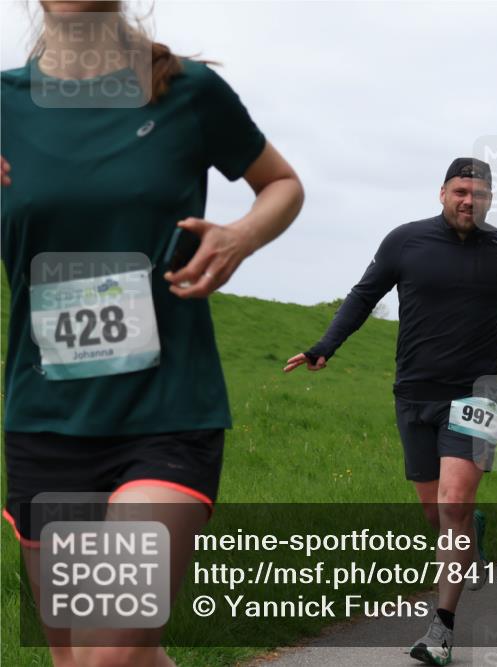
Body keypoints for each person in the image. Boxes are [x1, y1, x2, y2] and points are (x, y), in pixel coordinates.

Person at [1, 4, 304, 666]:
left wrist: (240, 237)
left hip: (166, 410)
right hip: (46, 417)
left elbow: (281, 184)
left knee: (108, 648)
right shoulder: (5, 107)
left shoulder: (188, 91)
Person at [284, 157, 497, 666]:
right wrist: (324, 346)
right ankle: (472, 533)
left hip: (477, 394)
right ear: (442, 192)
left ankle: (441, 629)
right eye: (461, 191)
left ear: (490, 199)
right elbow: (362, 296)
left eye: (480, 193)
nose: (470, 200)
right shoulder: (405, 241)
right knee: (436, 511)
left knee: (453, 505)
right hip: (414, 393)